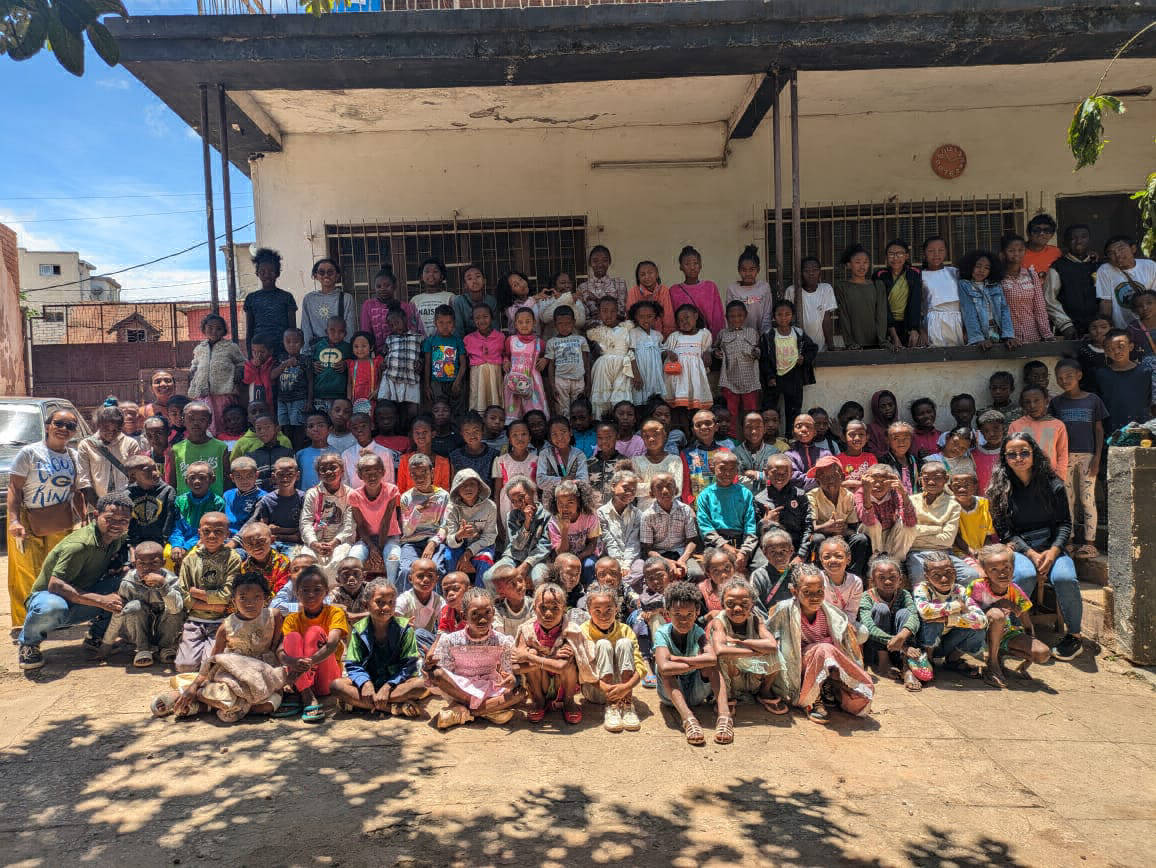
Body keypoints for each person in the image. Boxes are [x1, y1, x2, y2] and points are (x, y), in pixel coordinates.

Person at [988, 432, 1084, 661]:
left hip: (1052, 546)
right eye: (1012, 454)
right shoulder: (999, 490)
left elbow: (1064, 523)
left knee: (1065, 579)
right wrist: (1030, 553)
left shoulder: (1053, 484)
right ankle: (1011, 633)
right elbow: (1005, 532)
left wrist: (1054, 551)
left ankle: (1074, 636)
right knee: (1023, 575)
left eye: (1024, 453)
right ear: (1004, 458)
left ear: (1034, 454)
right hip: (1020, 547)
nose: (1018, 458)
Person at [17, 492, 132, 669]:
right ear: (96, 515)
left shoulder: (116, 537)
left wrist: (126, 566)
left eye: (123, 520)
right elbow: (55, 585)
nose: (117, 525)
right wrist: (101, 600)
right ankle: (29, 644)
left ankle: (96, 637)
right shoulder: (79, 545)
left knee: (130, 583)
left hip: (81, 594)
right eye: (110, 519)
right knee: (52, 607)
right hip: (50, 597)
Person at [153, 573, 287, 723]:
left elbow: (276, 646)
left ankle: (202, 706)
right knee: (226, 693)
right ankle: (185, 693)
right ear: (233, 600)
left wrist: (284, 666)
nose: (250, 603)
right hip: (234, 673)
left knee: (268, 706)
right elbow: (212, 660)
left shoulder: (274, 616)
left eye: (257, 597)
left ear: (266, 598)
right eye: (243, 598)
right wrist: (194, 685)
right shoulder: (226, 627)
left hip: (263, 672)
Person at [6, 407, 84, 628]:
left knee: (58, 570)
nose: (63, 429)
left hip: (59, 519)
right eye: (58, 423)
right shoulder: (30, 453)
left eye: (70, 426)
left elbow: (77, 491)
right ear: (48, 426)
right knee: (26, 571)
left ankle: (57, 616)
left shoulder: (73, 456)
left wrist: (83, 518)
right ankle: (28, 620)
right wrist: (14, 520)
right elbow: (14, 488)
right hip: (26, 519)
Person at [766, 565, 873, 724]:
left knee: (858, 697)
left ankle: (826, 686)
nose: (814, 597)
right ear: (794, 592)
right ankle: (811, 699)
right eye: (807, 592)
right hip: (798, 665)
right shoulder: (784, 609)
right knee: (823, 649)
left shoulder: (832, 613)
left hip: (827, 666)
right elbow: (768, 635)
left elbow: (846, 648)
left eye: (819, 591)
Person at [331, 578, 429, 718]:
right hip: (369, 681)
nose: (386, 607)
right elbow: (353, 664)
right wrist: (365, 683)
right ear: (366, 605)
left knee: (422, 685)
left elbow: (409, 666)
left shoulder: (405, 629)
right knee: (336, 686)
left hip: (396, 683)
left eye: (391, 602)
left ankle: (362, 704)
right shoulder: (359, 630)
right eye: (380, 602)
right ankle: (392, 708)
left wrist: (388, 686)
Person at [427, 587, 523, 729]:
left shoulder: (503, 641)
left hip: (489, 687)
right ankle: (487, 710)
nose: (482, 619)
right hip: (460, 688)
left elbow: (508, 672)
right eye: (475, 614)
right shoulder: (450, 640)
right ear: (464, 616)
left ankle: (464, 712)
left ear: (493, 613)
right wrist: (429, 667)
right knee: (436, 674)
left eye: (487, 612)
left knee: (519, 693)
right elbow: (446, 672)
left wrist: (511, 679)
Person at [708, 578, 786, 742]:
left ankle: (764, 692)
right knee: (723, 655)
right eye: (730, 604)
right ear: (722, 604)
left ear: (752, 605)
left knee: (774, 652)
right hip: (732, 677)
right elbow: (720, 649)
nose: (737, 609)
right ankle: (728, 697)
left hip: (752, 676)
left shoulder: (756, 619)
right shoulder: (719, 622)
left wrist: (741, 642)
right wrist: (754, 652)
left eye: (744, 604)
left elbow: (772, 645)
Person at [967, 543, 1052, 688]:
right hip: (977, 633)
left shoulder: (1015, 591)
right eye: (994, 569)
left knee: (1043, 653)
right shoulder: (977, 586)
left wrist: (1029, 657)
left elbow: (1027, 624)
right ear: (985, 571)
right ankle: (992, 664)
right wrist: (998, 605)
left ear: (1013, 568)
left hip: (1004, 632)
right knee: (997, 615)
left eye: (1006, 568)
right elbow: (967, 611)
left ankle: (998, 653)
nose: (1002, 573)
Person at [1050, 358, 1107, 558]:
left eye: (1069, 376)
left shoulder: (1093, 400)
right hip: (1064, 457)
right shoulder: (1056, 403)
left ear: (1079, 375)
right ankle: (1070, 540)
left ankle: (1090, 543)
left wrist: (1097, 457)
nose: (1064, 381)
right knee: (1067, 500)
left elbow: (1098, 430)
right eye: (1060, 378)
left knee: (1087, 499)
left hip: (1087, 456)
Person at [650, 581, 719, 744]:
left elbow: (712, 659)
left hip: (696, 695)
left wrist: (679, 659)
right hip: (669, 697)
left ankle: (724, 714)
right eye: (677, 614)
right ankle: (688, 719)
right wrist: (698, 663)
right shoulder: (662, 633)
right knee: (665, 671)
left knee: (713, 666)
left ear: (697, 612)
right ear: (667, 612)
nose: (683, 620)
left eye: (689, 614)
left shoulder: (698, 631)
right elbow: (665, 667)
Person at [280, 565, 351, 723]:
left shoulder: (335, 612)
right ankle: (307, 694)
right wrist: (293, 662)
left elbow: (332, 644)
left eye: (317, 590)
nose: (311, 594)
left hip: (326, 678)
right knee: (292, 637)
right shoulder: (292, 619)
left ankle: (300, 694)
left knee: (315, 632)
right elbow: (281, 652)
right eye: (305, 590)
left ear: (326, 592)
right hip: (302, 679)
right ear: (297, 593)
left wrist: (307, 664)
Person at [174, 511, 242, 673]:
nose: (212, 536)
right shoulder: (190, 559)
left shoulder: (233, 558)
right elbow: (184, 595)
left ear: (227, 534)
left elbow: (227, 595)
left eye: (218, 531)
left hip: (221, 622)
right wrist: (214, 606)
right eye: (207, 531)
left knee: (210, 665)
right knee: (185, 667)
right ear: (200, 533)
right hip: (194, 620)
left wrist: (196, 593)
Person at [98, 540, 182, 667]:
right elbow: (118, 614)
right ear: (135, 563)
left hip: (165, 630)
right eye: (141, 563)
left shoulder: (171, 580)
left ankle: (165, 647)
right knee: (133, 606)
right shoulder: (128, 583)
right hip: (137, 632)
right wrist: (106, 645)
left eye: (154, 563)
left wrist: (163, 585)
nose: (147, 568)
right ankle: (142, 649)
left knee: (174, 606)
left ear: (163, 563)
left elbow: (176, 609)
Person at [577, 583, 645, 732]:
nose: (603, 616)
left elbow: (640, 667)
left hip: (623, 689)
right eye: (597, 611)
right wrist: (606, 688)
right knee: (603, 644)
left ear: (617, 608)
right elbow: (584, 669)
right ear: (589, 610)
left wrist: (625, 687)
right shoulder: (583, 631)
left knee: (625, 643)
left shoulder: (625, 630)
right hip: (596, 690)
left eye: (609, 610)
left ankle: (627, 705)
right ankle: (611, 707)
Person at [513, 582, 582, 724]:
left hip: (563, 685)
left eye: (555, 608)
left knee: (568, 665)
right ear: (534, 608)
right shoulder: (527, 630)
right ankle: (539, 700)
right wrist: (550, 657)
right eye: (543, 608)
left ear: (564, 609)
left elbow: (561, 667)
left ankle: (569, 701)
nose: (548, 614)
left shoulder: (570, 630)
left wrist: (529, 657)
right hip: (539, 684)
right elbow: (516, 667)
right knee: (532, 652)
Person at [859, 554, 928, 691]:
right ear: (872, 581)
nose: (888, 582)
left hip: (899, 647)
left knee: (905, 613)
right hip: (876, 649)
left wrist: (902, 636)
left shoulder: (904, 595)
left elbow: (914, 617)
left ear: (900, 580)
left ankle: (906, 666)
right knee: (881, 609)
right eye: (881, 578)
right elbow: (869, 627)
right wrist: (902, 645)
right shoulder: (866, 597)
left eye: (892, 577)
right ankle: (883, 662)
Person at [913, 550, 988, 677]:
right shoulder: (922, 588)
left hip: (947, 643)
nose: (944, 579)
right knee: (933, 621)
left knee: (978, 630)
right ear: (926, 576)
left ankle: (952, 660)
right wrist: (958, 605)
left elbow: (982, 620)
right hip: (924, 642)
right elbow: (925, 612)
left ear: (955, 572)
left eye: (949, 572)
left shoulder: (959, 590)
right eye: (936, 575)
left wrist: (948, 620)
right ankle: (927, 660)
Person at [906, 461, 979, 584]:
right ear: (920, 480)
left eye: (937, 478)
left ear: (946, 479)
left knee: (971, 575)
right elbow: (907, 533)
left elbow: (947, 540)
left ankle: (957, 597)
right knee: (921, 579)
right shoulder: (911, 501)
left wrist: (917, 534)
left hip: (944, 553)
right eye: (926, 478)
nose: (931, 482)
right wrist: (937, 529)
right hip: (916, 552)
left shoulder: (953, 505)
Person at [807, 455, 871, 577]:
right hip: (823, 537)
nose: (830, 480)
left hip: (843, 536)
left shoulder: (848, 496)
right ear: (817, 481)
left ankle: (853, 576)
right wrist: (827, 527)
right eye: (824, 477)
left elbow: (853, 527)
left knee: (861, 539)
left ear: (842, 477)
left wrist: (842, 530)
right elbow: (810, 528)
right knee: (817, 539)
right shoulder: (812, 496)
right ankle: (819, 576)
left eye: (834, 476)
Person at [696, 452, 758, 576]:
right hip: (716, 544)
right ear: (713, 468)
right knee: (719, 567)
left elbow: (750, 526)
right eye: (722, 469)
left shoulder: (745, 494)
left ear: (737, 471)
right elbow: (705, 527)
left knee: (756, 566)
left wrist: (744, 552)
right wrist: (725, 546)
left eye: (732, 469)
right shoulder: (705, 495)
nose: (727, 474)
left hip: (741, 542)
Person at [760, 300, 818, 431]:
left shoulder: (798, 333)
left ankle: (791, 437)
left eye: (787, 314)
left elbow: (813, 348)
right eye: (779, 314)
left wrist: (804, 358)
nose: (783, 318)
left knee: (793, 410)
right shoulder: (768, 335)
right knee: (770, 410)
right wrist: (769, 376)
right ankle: (770, 436)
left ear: (792, 315)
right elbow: (764, 359)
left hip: (794, 376)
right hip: (774, 377)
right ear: (774, 316)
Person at [396, 453, 450, 588]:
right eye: (414, 474)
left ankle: (438, 601)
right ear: (410, 475)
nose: (419, 478)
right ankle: (404, 601)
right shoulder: (406, 498)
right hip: (411, 542)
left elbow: (445, 526)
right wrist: (418, 511)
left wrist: (432, 543)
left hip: (435, 542)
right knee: (406, 571)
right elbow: (407, 531)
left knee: (436, 569)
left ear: (432, 473)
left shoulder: (443, 496)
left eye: (423, 472)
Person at [76, 405, 142, 510]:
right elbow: (84, 481)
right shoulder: (86, 445)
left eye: (116, 430)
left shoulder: (131, 444)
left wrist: (126, 504)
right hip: (96, 504)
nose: (111, 433)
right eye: (106, 428)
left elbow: (136, 477)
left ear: (122, 427)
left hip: (126, 505)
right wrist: (100, 507)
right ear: (98, 425)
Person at [442, 468, 499, 588]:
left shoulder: (490, 507)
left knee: (485, 561)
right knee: (449, 558)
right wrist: (459, 535)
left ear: (479, 487)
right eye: (463, 485)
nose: (468, 488)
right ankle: (454, 593)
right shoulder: (451, 508)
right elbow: (450, 539)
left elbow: (490, 536)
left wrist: (468, 554)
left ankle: (480, 596)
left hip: (482, 546)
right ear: (457, 489)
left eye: (472, 484)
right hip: (458, 547)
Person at [187, 314, 245, 433]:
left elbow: (241, 362)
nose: (214, 331)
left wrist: (238, 373)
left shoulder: (230, 347)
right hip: (203, 394)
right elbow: (195, 364)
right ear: (204, 329)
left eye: (219, 328)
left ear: (224, 331)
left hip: (223, 393)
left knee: (224, 420)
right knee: (206, 421)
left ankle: (224, 441)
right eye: (210, 328)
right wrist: (193, 374)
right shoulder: (199, 348)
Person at [299, 452, 356, 573]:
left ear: (342, 470)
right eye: (323, 469)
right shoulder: (312, 494)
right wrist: (314, 544)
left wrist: (333, 543)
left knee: (337, 562)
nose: (328, 472)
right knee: (307, 563)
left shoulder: (350, 494)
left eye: (333, 468)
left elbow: (349, 526)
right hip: (315, 540)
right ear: (318, 474)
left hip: (340, 542)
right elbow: (306, 523)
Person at [493, 475, 552, 588]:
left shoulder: (547, 516)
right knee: (490, 577)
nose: (519, 504)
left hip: (538, 561)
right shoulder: (512, 516)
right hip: (513, 557)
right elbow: (517, 545)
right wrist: (527, 523)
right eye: (514, 501)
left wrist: (526, 564)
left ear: (532, 492)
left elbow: (545, 546)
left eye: (521, 498)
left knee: (539, 578)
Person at [167, 462, 227, 572]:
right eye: (192, 478)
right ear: (186, 481)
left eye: (202, 478)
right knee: (167, 554)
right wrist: (176, 545)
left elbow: (211, 530)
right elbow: (176, 527)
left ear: (212, 479)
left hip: (204, 540)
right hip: (180, 541)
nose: (197, 481)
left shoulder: (217, 503)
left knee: (198, 554)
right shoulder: (180, 501)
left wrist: (187, 546)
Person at [755, 453, 813, 564]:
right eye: (775, 472)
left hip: (795, 546)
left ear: (791, 474)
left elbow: (808, 527)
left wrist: (801, 555)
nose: (780, 476)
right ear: (766, 473)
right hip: (770, 549)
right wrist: (765, 522)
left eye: (785, 472)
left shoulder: (800, 496)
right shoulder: (759, 499)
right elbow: (754, 533)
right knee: (759, 565)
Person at [1044, 224, 1099, 338]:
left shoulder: (1099, 266)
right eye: (1073, 238)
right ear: (1065, 242)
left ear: (1090, 240)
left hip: (1097, 328)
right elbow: (1049, 299)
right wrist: (1065, 324)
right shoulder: (1058, 267)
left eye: (1083, 237)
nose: (1079, 241)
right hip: (1070, 329)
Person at [586, 296, 636, 419]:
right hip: (603, 368)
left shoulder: (626, 328)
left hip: (623, 367)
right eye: (604, 311)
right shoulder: (595, 332)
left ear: (617, 311)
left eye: (613, 311)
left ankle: (621, 424)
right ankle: (602, 422)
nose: (609, 315)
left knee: (621, 396)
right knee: (603, 396)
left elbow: (631, 350)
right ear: (599, 313)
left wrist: (636, 372)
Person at [1096, 329, 1154, 435]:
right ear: (1105, 351)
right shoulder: (1101, 375)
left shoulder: (1145, 372)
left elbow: (1150, 401)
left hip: (1141, 429)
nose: (1116, 351)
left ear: (1131, 346)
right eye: (1110, 349)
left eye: (1120, 346)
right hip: (1112, 431)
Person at [855, 464, 917, 561]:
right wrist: (867, 492)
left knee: (907, 526)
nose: (878, 485)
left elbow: (911, 522)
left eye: (883, 481)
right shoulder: (862, 492)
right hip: (871, 540)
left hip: (889, 536)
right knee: (873, 525)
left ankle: (896, 562)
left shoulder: (895, 492)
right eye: (874, 480)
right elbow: (868, 521)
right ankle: (875, 562)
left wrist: (904, 493)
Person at [957, 249, 1017, 349]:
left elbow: (1004, 310)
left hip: (998, 333)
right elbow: (969, 312)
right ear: (970, 266)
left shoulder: (995, 285)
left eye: (987, 268)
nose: (982, 270)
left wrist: (1009, 335)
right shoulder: (964, 285)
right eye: (978, 266)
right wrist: (978, 338)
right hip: (980, 335)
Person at [545, 479, 601, 585]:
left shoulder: (590, 516)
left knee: (589, 565)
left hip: (585, 555)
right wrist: (565, 529)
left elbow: (592, 544)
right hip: (564, 557)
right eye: (560, 503)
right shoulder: (554, 522)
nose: (565, 508)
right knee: (564, 570)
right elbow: (561, 552)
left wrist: (578, 558)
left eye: (570, 503)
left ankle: (589, 590)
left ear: (578, 502)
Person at [168, 401, 229, 498]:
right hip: (186, 505)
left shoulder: (221, 448)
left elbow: (227, 480)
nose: (196, 423)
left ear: (209, 421)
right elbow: (173, 482)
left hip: (214, 503)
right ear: (183, 420)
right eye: (191, 419)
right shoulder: (176, 450)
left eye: (202, 419)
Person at [1000, 234, 1053, 343]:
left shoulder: (1031, 275)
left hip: (1033, 336)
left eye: (1020, 250)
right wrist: (1007, 336)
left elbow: (1039, 307)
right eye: (1011, 250)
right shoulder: (998, 278)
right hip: (1009, 339)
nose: (1016, 254)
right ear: (1003, 253)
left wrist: (1047, 334)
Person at [1009, 385, 1069, 482]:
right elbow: (1011, 453)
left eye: (1036, 400)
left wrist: (1059, 477)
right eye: (1027, 402)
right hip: (1023, 478)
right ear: (1023, 404)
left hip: (1050, 478)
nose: (1032, 405)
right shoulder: (1015, 426)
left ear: (1046, 401)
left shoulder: (1058, 425)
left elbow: (1062, 454)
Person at [835, 243, 888, 349]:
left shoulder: (877, 285)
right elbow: (844, 316)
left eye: (865, 262)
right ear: (848, 265)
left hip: (877, 343)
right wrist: (850, 343)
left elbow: (881, 315)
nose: (862, 266)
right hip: (854, 346)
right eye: (857, 262)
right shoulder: (842, 287)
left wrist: (882, 340)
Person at [1096, 234, 1156, 328]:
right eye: (1111, 253)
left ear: (1133, 249)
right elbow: (1106, 302)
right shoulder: (1105, 270)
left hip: (1150, 325)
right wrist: (1105, 326)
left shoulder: (1150, 266)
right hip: (1122, 328)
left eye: (1121, 249)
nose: (1117, 255)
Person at [597, 469, 643, 590]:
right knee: (608, 570)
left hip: (631, 560)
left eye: (633, 490)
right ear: (613, 486)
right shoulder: (602, 513)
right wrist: (618, 565)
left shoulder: (637, 514)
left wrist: (626, 565)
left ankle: (625, 588)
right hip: (610, 560)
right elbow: (608, 541)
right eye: (625, 488)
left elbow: (633, 543)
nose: (629, 493)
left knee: (640, 567)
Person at [873, 240, 924, 348]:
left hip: (908, 324)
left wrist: (914, 328)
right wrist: (893, 333)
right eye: (891, 254)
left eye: (899, 254)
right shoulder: (880, 275)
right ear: (886, 257)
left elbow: (915, 301)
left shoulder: (915, 273)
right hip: (886, 324)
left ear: (906, 256)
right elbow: (882, 304)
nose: (895, 258)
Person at [502, 308, 549, 422]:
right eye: (520, 322)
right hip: (513, 380)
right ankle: (513, 425)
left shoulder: (540, 342)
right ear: (515, 324)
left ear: (534, 323)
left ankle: (534, 424)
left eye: (528, 322)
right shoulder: (510, 340)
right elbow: (506, 355)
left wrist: (545, 360)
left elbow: (547, 355)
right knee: (514, 405)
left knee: (533, 407)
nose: (524, 325)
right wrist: (506, 362)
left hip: (533, 381)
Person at [377, 307, 423, 422]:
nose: (395, 327)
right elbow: (384, 354)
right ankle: (396, 429)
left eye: (397, 323)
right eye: (391, 325)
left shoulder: (418, 337)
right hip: (392, 377)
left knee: (412, 410)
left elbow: (422, 355)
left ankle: (411, 429)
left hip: (411, 378)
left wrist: (420, 363)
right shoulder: (389, 339)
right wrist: (382, 364)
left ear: (405, 319)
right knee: (391, 408)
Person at [668, 245, 725, 337]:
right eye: (687, 264)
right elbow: (671, 319)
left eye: (695, 263)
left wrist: (716, 339)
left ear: (701, 265)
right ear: (681, 267)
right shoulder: (674, 291)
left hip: (706, 337)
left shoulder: (710, 287)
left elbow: (717, 318)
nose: (692, 267)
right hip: (682, 339)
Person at [251, 457, 305, 551]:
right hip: (273, 544)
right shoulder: (267, 500)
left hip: (296, 545)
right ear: (273, 477)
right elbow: (265, 529)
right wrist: (292, 531)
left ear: (297, 476)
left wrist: (279, 531)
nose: (285, 478)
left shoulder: (304, 498)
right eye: (280, 474)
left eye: (290, 474)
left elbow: (304, 530)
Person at [361, 267, 421, 348]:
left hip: (401, 348)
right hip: (376, 352)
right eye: (378, 286)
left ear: (394, 286)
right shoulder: (368, 305)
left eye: (387, 285)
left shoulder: (405, 306)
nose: (382, 289)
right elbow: (366, 331)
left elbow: (411, 329)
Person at [462, 303, 505, 415]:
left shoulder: (500, 337)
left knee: (495, 397)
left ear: (492, 318)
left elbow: (506, 354)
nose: (481, 321)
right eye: (477, 318)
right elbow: (463, 359)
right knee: (478, 397)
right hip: (477, 375)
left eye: (485, 317)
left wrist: (506, 361)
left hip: (495, 374)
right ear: (473, 320)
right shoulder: (468, 339)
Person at [125, 453, 175, 550]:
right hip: (135, 545)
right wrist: (131, 546)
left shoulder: (167, 491)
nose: (156, 473)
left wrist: (164, 542)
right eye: (148, 471)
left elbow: (169, 521)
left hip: (161, 543)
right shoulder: (128, 495)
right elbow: (128, 526)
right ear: (133, 477)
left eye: (155, 468)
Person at [271, 327, 310, 449]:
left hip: (299, 399)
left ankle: (297, 450)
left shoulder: (305, 359)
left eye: (296, 342)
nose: (292, 345)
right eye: (288, 341)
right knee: (284, 427)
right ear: (283, 343)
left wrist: (309, 401)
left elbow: (310, 381)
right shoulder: (280, 358)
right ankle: (287, 450)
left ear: (302, 343)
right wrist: (285, 364)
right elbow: (272, 375)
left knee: (298, 426)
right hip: (282, 400)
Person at [920, 236, 964, 346]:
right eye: (931, 251)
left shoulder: (955, 272)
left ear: (946, 252)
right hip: (934, 322)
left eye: (941, 250)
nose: (936, 254)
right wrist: (921, 330)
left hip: (957, 321)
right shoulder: (921, 276)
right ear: (924, 254)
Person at [790, 255, 838, 351]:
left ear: (820, 272)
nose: (811, 273)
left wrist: (831, 346)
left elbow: (826, 319)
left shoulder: (826, 289)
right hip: (797, 348)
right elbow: (789, 320)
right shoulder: (792, 291)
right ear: (800, 273)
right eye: (806, 271)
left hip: (820, 346)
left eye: (815, 270)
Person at [394, 558, 444, 651]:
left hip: (425, 643)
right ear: (410, 579)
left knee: (420, 634)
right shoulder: (405, 599)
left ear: (436, 579)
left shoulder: (438, 601)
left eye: (430, 576)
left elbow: (444, 627)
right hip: (404, 641)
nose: (426, 580)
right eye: (420, 576)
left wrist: (434, 648)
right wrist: (402, 624)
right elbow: (392, 618)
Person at [309, 316, 353, 412]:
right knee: (321, 418)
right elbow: (308, 363)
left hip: (339, 394)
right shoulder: (318, 346)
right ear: (326, 331)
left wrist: (346, 364)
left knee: (337, 418)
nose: (336, 335)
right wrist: (313, 365)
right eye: (332, 331)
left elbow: (355, 364)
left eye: (341, 331)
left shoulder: (348, 348)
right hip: (319, 394)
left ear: (345, 334)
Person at [577, 244, 628, 320]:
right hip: (592, 326)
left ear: (609, 262)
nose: (600, 264)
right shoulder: (582, 287)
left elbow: (621, 311)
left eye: (604, 260)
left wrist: (596, 300)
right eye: (595, 261)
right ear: (590, 263)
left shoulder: (620, 283)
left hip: (616, 326)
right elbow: (584, 315)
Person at [627, 260, 674, 336]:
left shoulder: (663, 290)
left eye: (650, 273)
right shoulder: (633, 291)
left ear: (657, 274)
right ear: (638, 277)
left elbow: (668, 318)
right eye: (642, 274)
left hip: (660, 335)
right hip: (638, 335)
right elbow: (631, 318)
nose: (647, 277)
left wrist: (665, 337)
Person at [222, 456, 263, 544]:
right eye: (239, 477)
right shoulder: (227, 495)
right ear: (232, 478)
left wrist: (234, 542)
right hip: (224, 537)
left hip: (247, 540)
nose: (244, 481)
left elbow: (253, 521)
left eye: (249, 476)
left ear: (256, 475)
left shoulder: (262, 497)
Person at [453, 263, 498, 338]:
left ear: (484, 281)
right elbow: (458, 329)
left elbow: (495, 327)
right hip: (466, 341)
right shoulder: (459, 301)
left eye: (478, 276)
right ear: (465, 285)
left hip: (488, 340)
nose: (474, 281)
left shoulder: (491, 301)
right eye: (469, 278)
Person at [880, 421, 921, 494]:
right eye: (896, 438)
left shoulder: (917, 462)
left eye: (906, 438)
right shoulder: (882, 462)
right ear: (888, 440)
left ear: (911, 439)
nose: (901, 442)